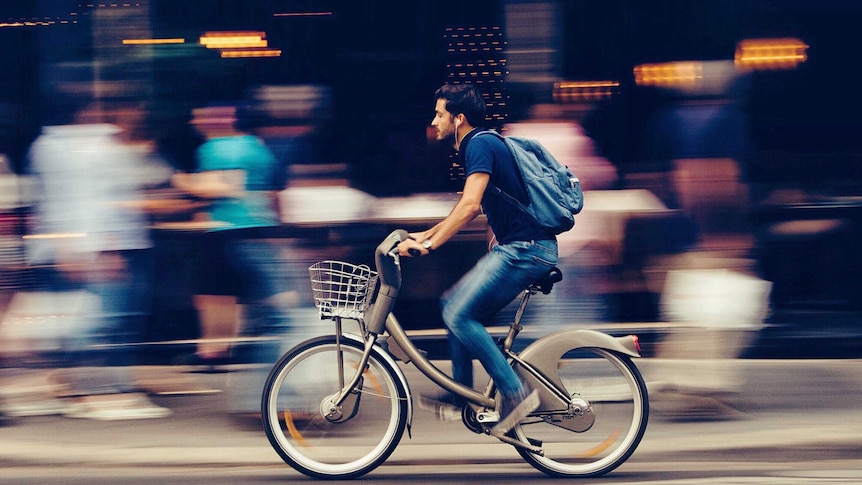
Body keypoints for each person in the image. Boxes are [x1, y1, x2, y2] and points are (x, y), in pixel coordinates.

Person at [397, 84, 559, 437]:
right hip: (519, 248)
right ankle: (462, 395)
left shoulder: (479, 144)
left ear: (459, 118)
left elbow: (469, 205)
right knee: (451, 303)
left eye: (439, 114)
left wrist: (431, 246)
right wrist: (425, 235)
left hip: (525, 249)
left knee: (458, 313)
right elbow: (468, 211)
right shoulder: (482, 144)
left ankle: (516, 393)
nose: (434, 120)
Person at [24, 100, 170, 420]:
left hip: (107, 245)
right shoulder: (72, 147)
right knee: (100, 321)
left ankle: (105, 388)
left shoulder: (74, 145)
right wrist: (98, 247)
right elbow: (76, 201)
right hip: (96, 247)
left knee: (109, 319)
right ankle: (94, 393)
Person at [171, 104, 294, 420]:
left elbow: (219, 187)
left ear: (221, 120)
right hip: (259, 232)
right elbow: (274, 194)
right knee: (263, 308)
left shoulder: (215, 148)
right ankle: (229, 364)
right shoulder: (258, 147)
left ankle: (219, 357)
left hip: (228, 234)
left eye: (200, 116)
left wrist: (179, 181)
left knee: (237, 303)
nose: (194, 121)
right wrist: (278, 229)